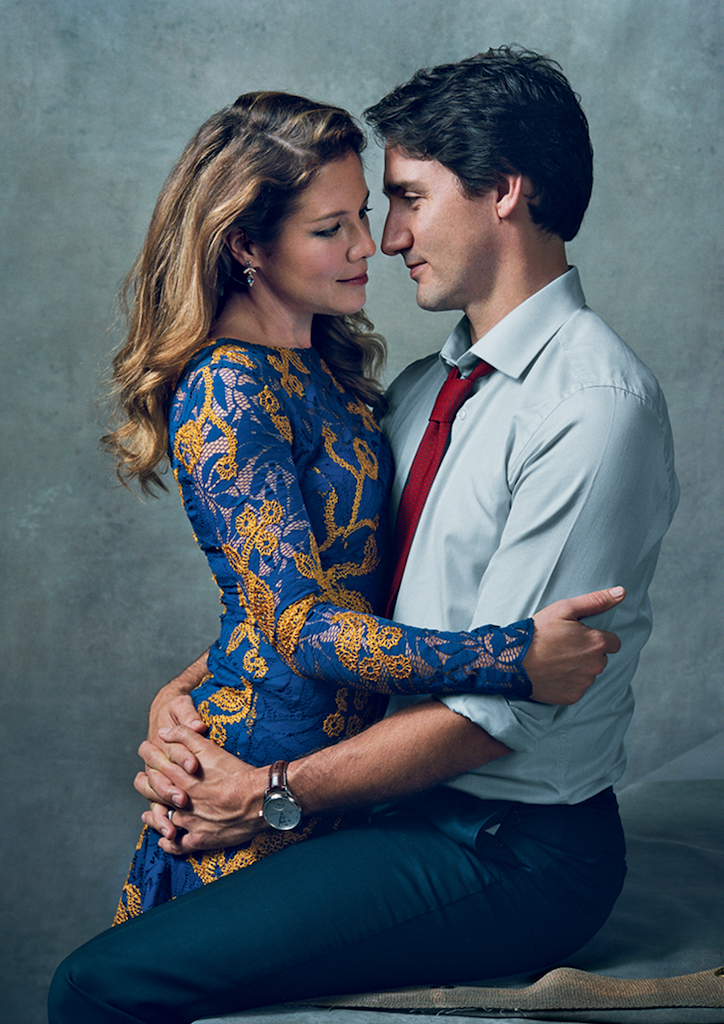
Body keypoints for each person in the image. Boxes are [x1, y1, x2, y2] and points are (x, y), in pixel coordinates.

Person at [48, 48, 675, 1024]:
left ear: (503, 192)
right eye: (355, 216)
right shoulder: (420, 392)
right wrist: (183, 695)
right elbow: (312, 597)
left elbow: (496, 711)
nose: (385, 240)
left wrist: (268, 793)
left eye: (409, 199)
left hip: (507, 844)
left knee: (96, 984)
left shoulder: (590, 408)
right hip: (396, 805)